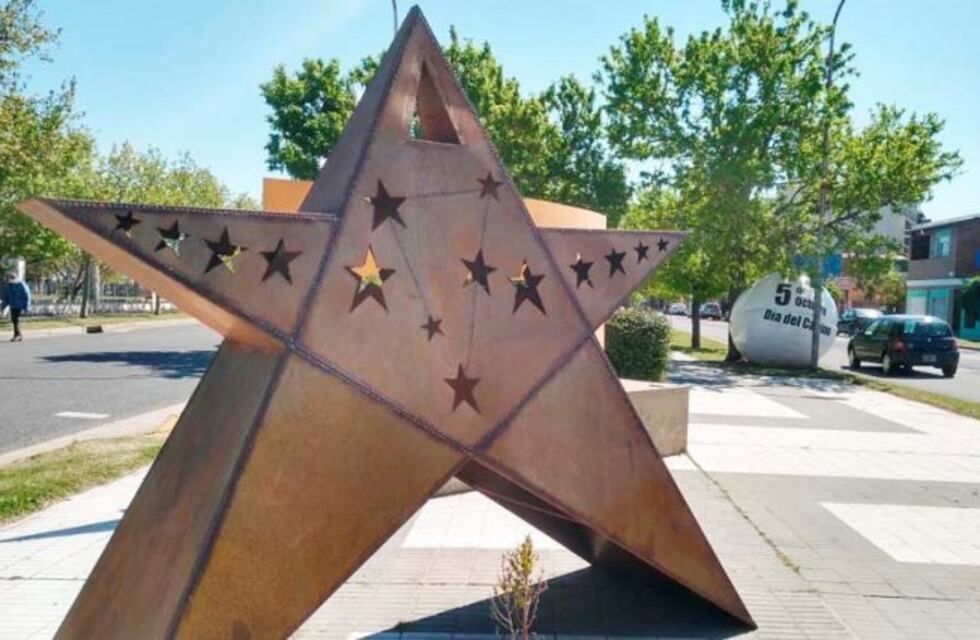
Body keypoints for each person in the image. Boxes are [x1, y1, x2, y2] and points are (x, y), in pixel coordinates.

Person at [1, 272, 31, 342]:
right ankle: (19, 335)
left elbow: (27, 296)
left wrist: (26, 307)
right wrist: (3, 308)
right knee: (14, 320)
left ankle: (17, 335)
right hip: (13, 305)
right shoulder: (9, 286)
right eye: (10, 278)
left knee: (16, 320)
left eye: (12, 277)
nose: (11, 279)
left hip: (20, 305)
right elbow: (6, 298)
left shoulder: (21, 285)